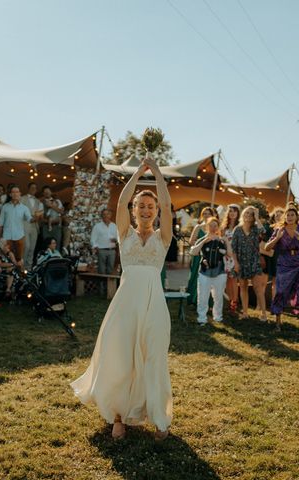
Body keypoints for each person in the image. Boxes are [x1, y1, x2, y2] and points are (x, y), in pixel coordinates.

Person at [71, 155, 173, 441]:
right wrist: (138, 173)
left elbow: (167, 204)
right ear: (134, 209)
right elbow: (120, 203)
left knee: (153, 358)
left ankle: (159, 417)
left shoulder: (163, 237)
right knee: (121, 357)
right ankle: (119, 416)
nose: (145, 209)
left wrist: (157, 173)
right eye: (141, 205)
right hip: (126, 304)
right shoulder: (124, 231)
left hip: (154, 305)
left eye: (150, 206)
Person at [266, 207, 299, 330]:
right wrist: (277, 238)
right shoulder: (279, 230)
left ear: (296, 217)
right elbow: (267, 247)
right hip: (284, 263)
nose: (290, 217)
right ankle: (278, 322)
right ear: (285, 217)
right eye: (288, 215)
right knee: (280, 291)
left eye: (292, 215)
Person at [190, 216, 231, 325]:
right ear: (207, 227)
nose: (213, 228)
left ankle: (218, 317)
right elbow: (193, 252)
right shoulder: (202, 239)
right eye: (211, 225)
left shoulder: (221, 240)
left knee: (218, 296)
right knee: (202, 296)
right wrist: (203, 241)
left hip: (219, 272)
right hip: (204, 272)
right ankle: (202, 318)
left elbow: (230, 254)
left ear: (218, 227)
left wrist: (226, 241)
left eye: (215, 225)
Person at [231, 206, 267, 319]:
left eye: (250, 214)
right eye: (246, 213)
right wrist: (236, 263)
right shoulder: (237, 229)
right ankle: (245, 312)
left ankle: (264, 313)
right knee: (243, 287)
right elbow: (233, 249)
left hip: (254, 261)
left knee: (258, 288)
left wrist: (257, 217)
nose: (248, 215)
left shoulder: (256, 228)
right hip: (241, 262)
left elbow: (264, 232)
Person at [186, 206, 217, 306]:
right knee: (196, 276)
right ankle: (194, 299)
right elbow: (191, 242)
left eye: (208, 213)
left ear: (212, 215)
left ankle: (208, 301)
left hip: (211, 257)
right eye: (204, 213)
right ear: (201, 215)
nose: (206, 215)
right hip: (198, 256)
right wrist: (201, 243)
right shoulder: (198, 227)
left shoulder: (214, 227)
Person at [0, 185, 31, 263]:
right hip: (7, 236)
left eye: (17, 192)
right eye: (13, 192)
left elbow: (30, 219)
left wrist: (36, 217)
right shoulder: (5, 207)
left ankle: (19, 274)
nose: (15, 194)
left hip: (19, 236)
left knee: (19, 259)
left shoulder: (24, 208)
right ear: (10, 194)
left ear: (20, 194)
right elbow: (0, 223)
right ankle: (9, 275)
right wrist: (0, 237)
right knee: (7, 258)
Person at [220, 204, 241, 313]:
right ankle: (229, 301)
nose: (232, 213)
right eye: (230, 211)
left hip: (235, 257)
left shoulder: (240, 227)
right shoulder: (224, 228)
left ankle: (234, 302)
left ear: (238, 213)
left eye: (234, 211)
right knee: (227, 280)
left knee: (234, 280)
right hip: (225, 257)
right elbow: (221, 242)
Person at [20, 183, 43, 267]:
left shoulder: (38, 201)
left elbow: (40, 213)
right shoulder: (22, 198)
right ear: (28, 188)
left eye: (35, 188)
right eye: (32, 188)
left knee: (32, 248)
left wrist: (38, 217)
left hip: (35, 226)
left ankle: (29, 268)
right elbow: (20, 211)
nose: (34, 189)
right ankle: (22, 266)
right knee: (26, 246)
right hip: (25, 224)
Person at [91, 209, 118, 275]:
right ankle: (101, 285)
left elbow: (118, 238)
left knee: (110, 270)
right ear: (101, 216)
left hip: (112, 250)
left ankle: (108, 285)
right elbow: (93, 239)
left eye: (107, 214)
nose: (106, 216)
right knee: (101, 270)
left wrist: (116, 240)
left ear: (110, 215)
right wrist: (96, 248)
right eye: (104, 214)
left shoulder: (114, 226)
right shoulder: (97, 226)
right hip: (101, 250)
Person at [40, 187, 64, 252]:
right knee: (46, 245)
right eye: (45, 192)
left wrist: (51, 206)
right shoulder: (40, 203)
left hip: (56, 227)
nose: (47, 193)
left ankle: (56, 260)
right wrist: (49, 222)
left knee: (57, 245)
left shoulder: (57, 201)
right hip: (46, 227)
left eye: (48, 191)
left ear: (51, 192)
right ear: (43, 194)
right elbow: (41, 218)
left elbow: (61, 212)